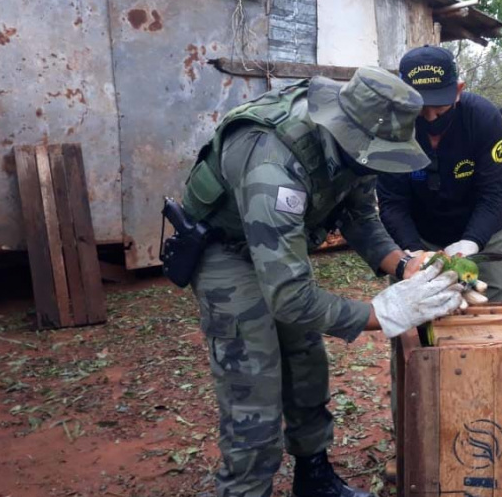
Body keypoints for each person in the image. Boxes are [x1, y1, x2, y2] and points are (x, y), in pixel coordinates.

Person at [181, 67, 465, 497]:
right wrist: (386, 313)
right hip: (228, 251)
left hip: (278, 243)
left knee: (306, 364)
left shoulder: (358, 141)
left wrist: (403, 265)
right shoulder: (272, 162)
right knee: (253, 388)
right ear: (344, 131)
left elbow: (359, 215)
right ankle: (244, 487)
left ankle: (313, 477)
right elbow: (291, 299)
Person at [377, 45, 502, 301]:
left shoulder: (484, 120)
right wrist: (414, 251)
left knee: (489, 301)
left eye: (439, 107)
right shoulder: (390, 128)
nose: (430, 117)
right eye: (419, 108)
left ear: (458, 90)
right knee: (411, 308)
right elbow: (392, 201)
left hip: (482, 230)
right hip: (417, 231)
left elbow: (493, 194)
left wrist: (471, 241)